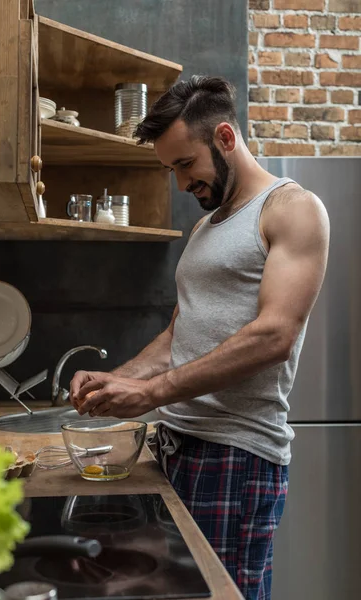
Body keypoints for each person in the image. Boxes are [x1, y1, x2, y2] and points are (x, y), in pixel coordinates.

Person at [70, 75, 329, 599]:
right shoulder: (205, 228)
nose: (182, 184)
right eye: (171, 171)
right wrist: (115, 380)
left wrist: (150, 394)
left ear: (226, 139)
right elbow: (176, 334)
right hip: (177, 446)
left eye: (186, 164)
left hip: (235, 454)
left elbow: (274, 336)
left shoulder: (292, 209)